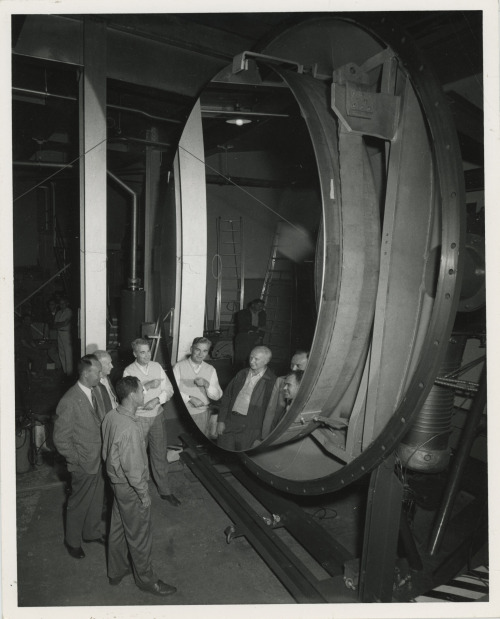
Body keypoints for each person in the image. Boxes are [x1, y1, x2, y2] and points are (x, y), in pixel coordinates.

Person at [101, 376, 177, 596]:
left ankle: (116, 572)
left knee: (117, 528)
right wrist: (143, 494)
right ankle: (146, 580)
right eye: (142, 391)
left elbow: (107, 451)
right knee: (139, 536)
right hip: (130, 488)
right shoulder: (131, 429)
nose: (145, 394)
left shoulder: (111, 416)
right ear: (133, 396)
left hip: (116, 484)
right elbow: (134, 470)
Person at [53, 354, 107, 559]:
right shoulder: (69, 400)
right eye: (98, 372)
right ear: (86, 374)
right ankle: (72, 541)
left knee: (96, 499)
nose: (101, 375)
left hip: (99, 458)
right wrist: (77, 460)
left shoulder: (96, 391)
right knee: (78, 502)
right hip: (83, 462)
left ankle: (91, 532)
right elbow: (60, 439)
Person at [123, 338, 180, 506]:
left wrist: (157, 400)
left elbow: (169, 389)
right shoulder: (128, 371)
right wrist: (147, 386)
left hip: (157, 416)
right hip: (138, 418)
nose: (147, 355)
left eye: (148, 351)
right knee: (138, 457)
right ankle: (141, 492)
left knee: (159, 454)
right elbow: (129, 398)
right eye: (142, 352)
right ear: (135, 354)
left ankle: (165, 490)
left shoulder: (156, 367)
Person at [217, 346, 276, 451]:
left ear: (266, 361)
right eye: (251, 357)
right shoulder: (242, 374)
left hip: (250, 428)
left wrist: (261, 435)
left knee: (243, 457)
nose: (252, 361)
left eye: (256, 359)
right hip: (231, 421)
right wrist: (221, 420)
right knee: (224, 453)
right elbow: (227, 397)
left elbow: (271, 411)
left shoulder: (271, 381)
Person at [172, 337, 223, 436]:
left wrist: (207, 385)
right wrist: (189, 398)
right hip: (183, 412)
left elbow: (217, 396)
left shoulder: (210, 369)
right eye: (197, 350)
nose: (200, 354)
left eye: (204, 351)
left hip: (202, 413)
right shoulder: (179, 367)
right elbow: (173, 390)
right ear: (191, 349)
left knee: (201, 443)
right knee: (187, 441)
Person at [261, 350, 309, 438]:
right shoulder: (281, 381)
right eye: (292, 364)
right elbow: (270, 411)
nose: (293, 369)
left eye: (298, 365)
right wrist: (265, 436)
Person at [233, 299, 267, 372]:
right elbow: (243, 326)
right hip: (243, 337)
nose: (261, 307)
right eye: (259, 305)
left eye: (262, 306)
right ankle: (238, 374)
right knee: (241, 359)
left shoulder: (262, 313)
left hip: (256, 337)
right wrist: (258, 328)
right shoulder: (242, 313)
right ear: (253, 305)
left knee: (256, 357)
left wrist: (260, 337)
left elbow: (263, 328)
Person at [94, 349, 118, 414]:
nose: (112, 366)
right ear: (99, 366)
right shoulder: (94, 385)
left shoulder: (106, 378)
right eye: (108, 364)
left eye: (111, 362)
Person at [54, 296, 73, 376]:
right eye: (60, 304)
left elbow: (66, 323)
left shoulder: (69, 311)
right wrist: (61, 324)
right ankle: (65, 371)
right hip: (59, 333)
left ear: (67, 304)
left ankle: (69, 373)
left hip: (66, 333)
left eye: (63, 304)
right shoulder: (58, 313)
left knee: (68, 353)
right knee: (61, 353)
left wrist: (60, 324)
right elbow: (55, 324)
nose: (62, 305)